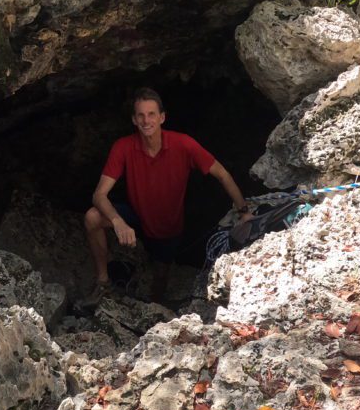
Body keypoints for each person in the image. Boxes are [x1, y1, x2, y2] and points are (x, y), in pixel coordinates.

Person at [83, 87, 252, 305]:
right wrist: (118, 222)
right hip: (136, 216)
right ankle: (103, 282)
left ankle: (156, 315)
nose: (146, 121)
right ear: (134, 120)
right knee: (92, 217)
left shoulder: (183, 144)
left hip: (167, 227)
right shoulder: (124, 147)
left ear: (162, 117)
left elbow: (222, 175)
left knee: (160, 281)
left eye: (151, 114)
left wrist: (244, 211)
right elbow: (99, 194)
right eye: (141, 115)